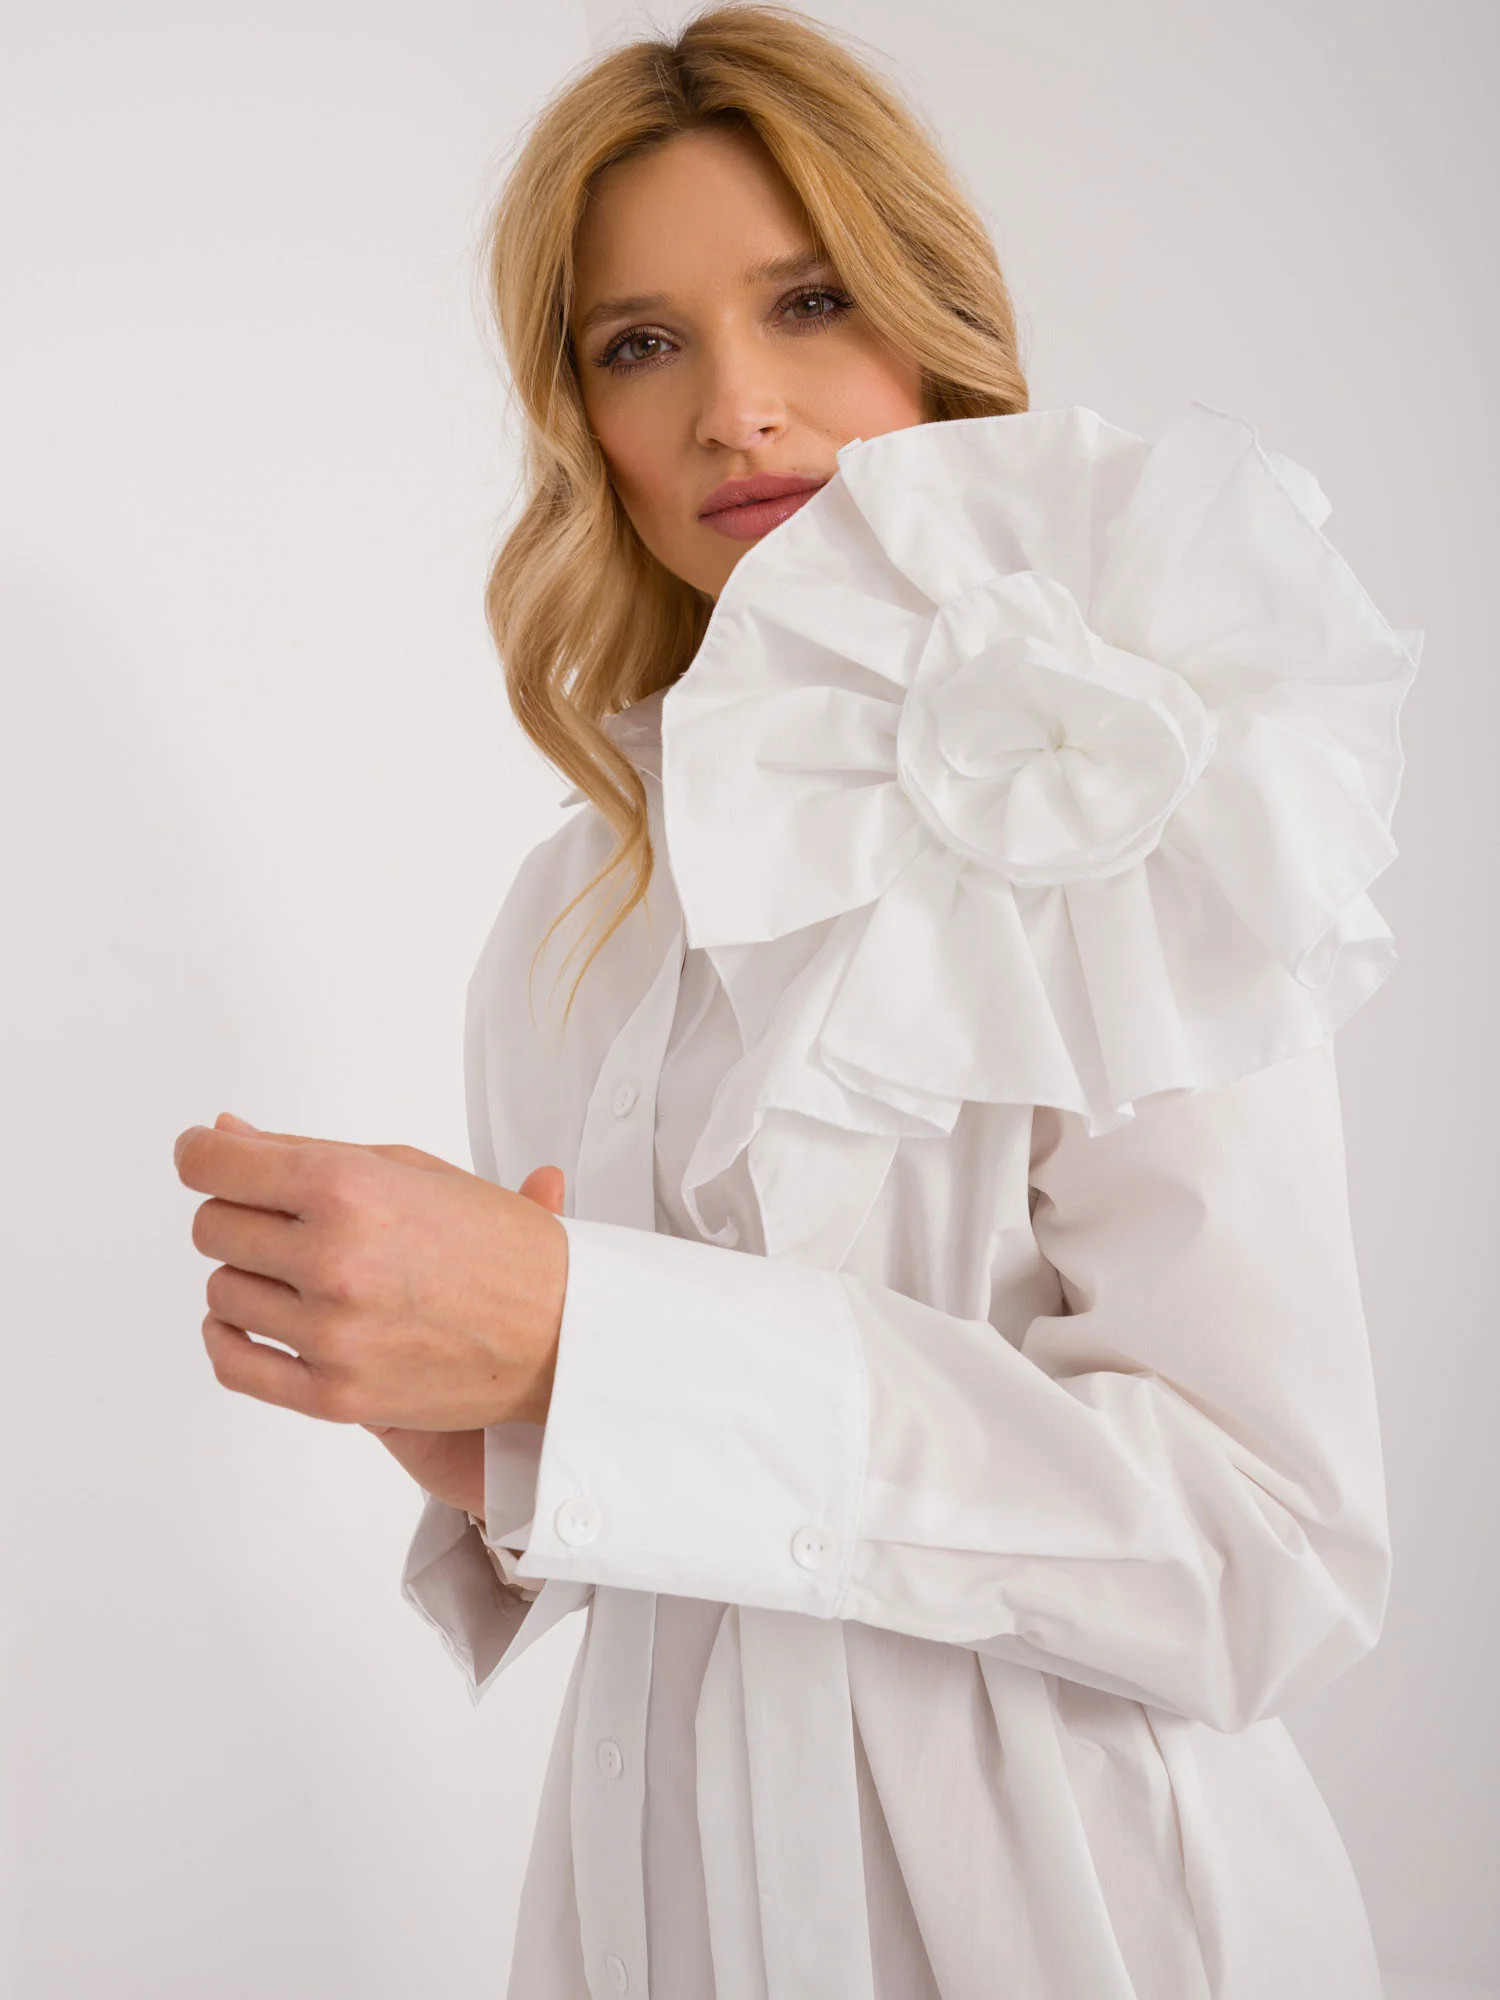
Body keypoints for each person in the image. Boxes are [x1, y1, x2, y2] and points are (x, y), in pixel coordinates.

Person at [173, 7, 1422, 1995]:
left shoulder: (1121, 780)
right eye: (638, 343)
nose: (735, 409)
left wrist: (597, 1337)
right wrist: (493, 1435)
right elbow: (680, 1509)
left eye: (809, 301)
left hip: (1075, 1931)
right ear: (579, 416)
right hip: (657, 1913)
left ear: (934, 330)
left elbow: (1263, 1549)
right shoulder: (571, 909)